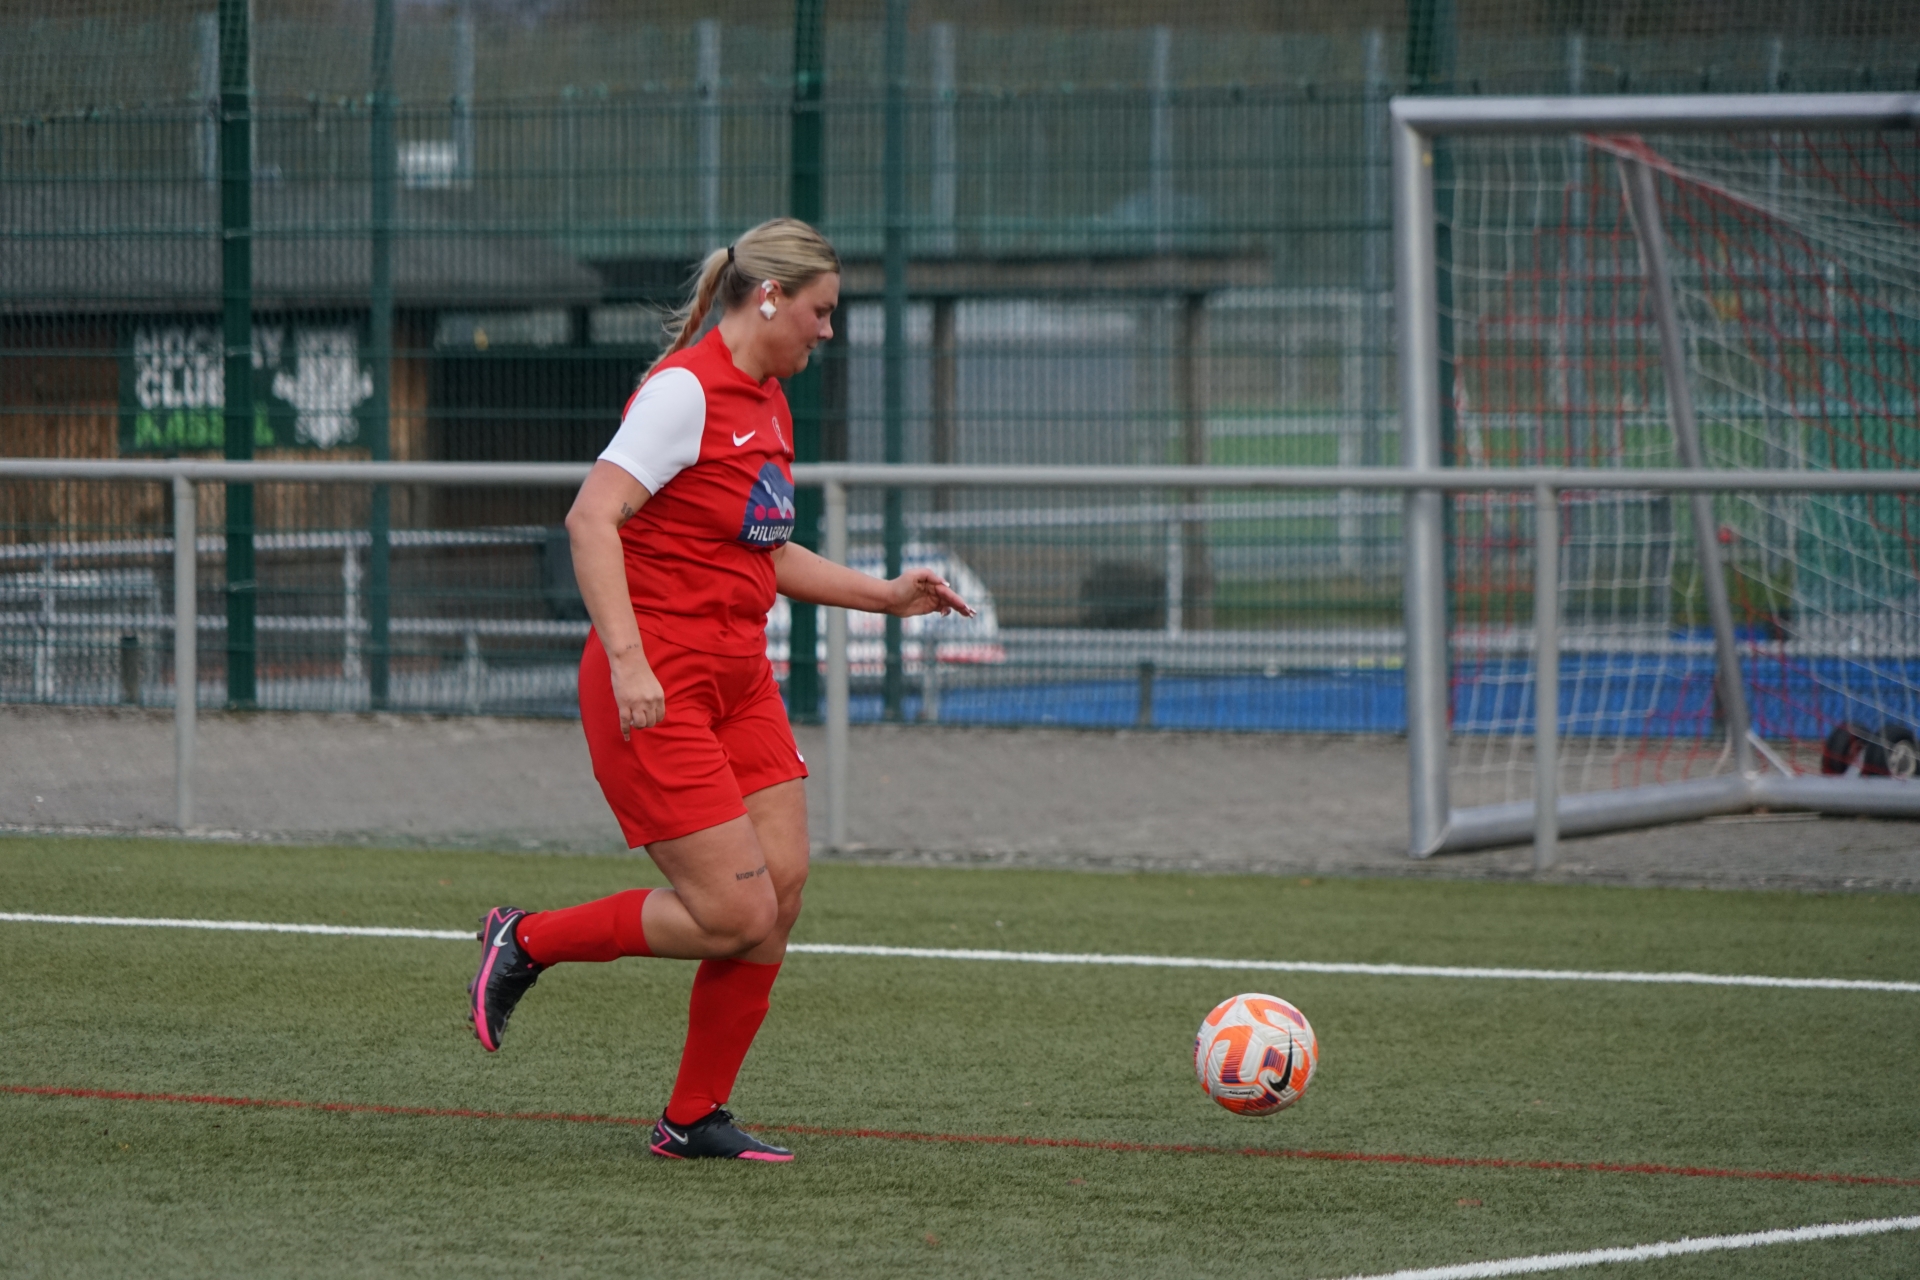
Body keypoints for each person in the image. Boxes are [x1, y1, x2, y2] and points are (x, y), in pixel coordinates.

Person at [467, 217, 971, 1162]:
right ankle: (526, 939)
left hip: (740, 679)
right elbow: (590, 520)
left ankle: (692, 1117)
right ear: (769, 297)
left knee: (778, 896)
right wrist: (627, 662)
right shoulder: (684, 393)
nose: (829, 330)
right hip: (657, 684)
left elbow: (765, 552)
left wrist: (884, 595)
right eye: (821, 311)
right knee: (734, 914)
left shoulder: (768, 400)